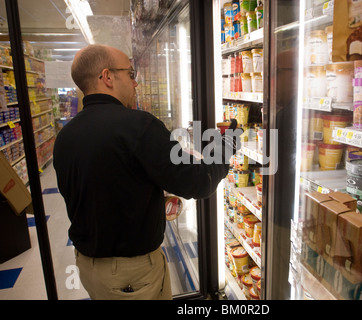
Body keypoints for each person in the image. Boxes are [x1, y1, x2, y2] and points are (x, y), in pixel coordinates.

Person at [53, 44, 240, 300]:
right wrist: (225, 146)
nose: (136, 83)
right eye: (131, 74)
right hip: (131, 276)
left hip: (89, 267)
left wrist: (149, 199)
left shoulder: (65, 136)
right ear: (107, 77)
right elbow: (199, 182)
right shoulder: (138, 126)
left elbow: (96, 190)